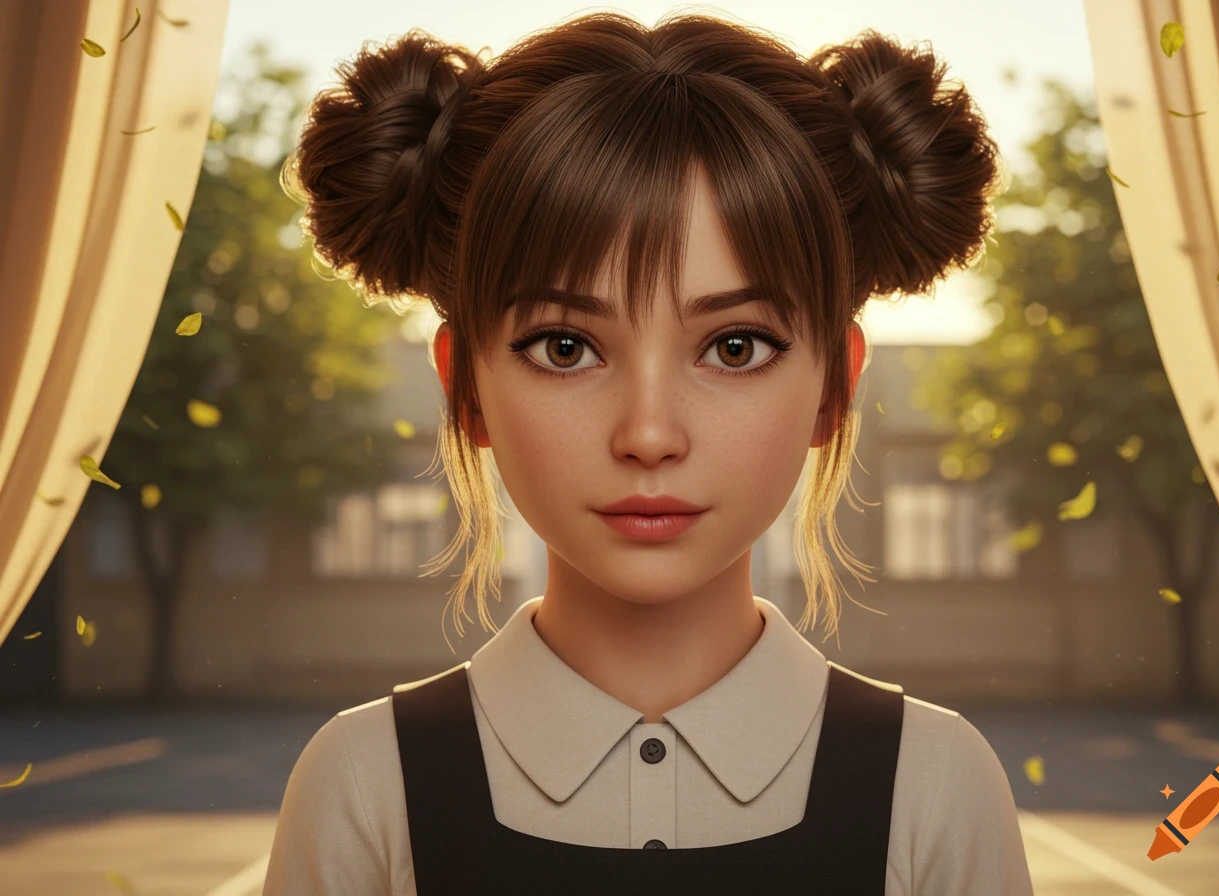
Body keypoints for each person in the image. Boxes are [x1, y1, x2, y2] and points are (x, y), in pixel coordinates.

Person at [263, 10, 1032, 895]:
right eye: (564, 347)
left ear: (835, 386)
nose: (650, 435)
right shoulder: (365, 785)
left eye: (735, 346)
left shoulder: (935, 784)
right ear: (462, 385)